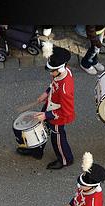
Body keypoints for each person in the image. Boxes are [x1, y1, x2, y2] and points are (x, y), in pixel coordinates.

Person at [20, 41, 74, 169]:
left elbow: (66, 111)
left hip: (57, 115)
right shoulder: (61, 73)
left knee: (57, 138)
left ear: (60, 68)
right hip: (51, 105)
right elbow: (54, 84)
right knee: (41, 127)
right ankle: (37, 150)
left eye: (52, 71)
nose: (50, 73)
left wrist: (47, 115)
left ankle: (65, 159)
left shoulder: (65, 89)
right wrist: (46, 93)